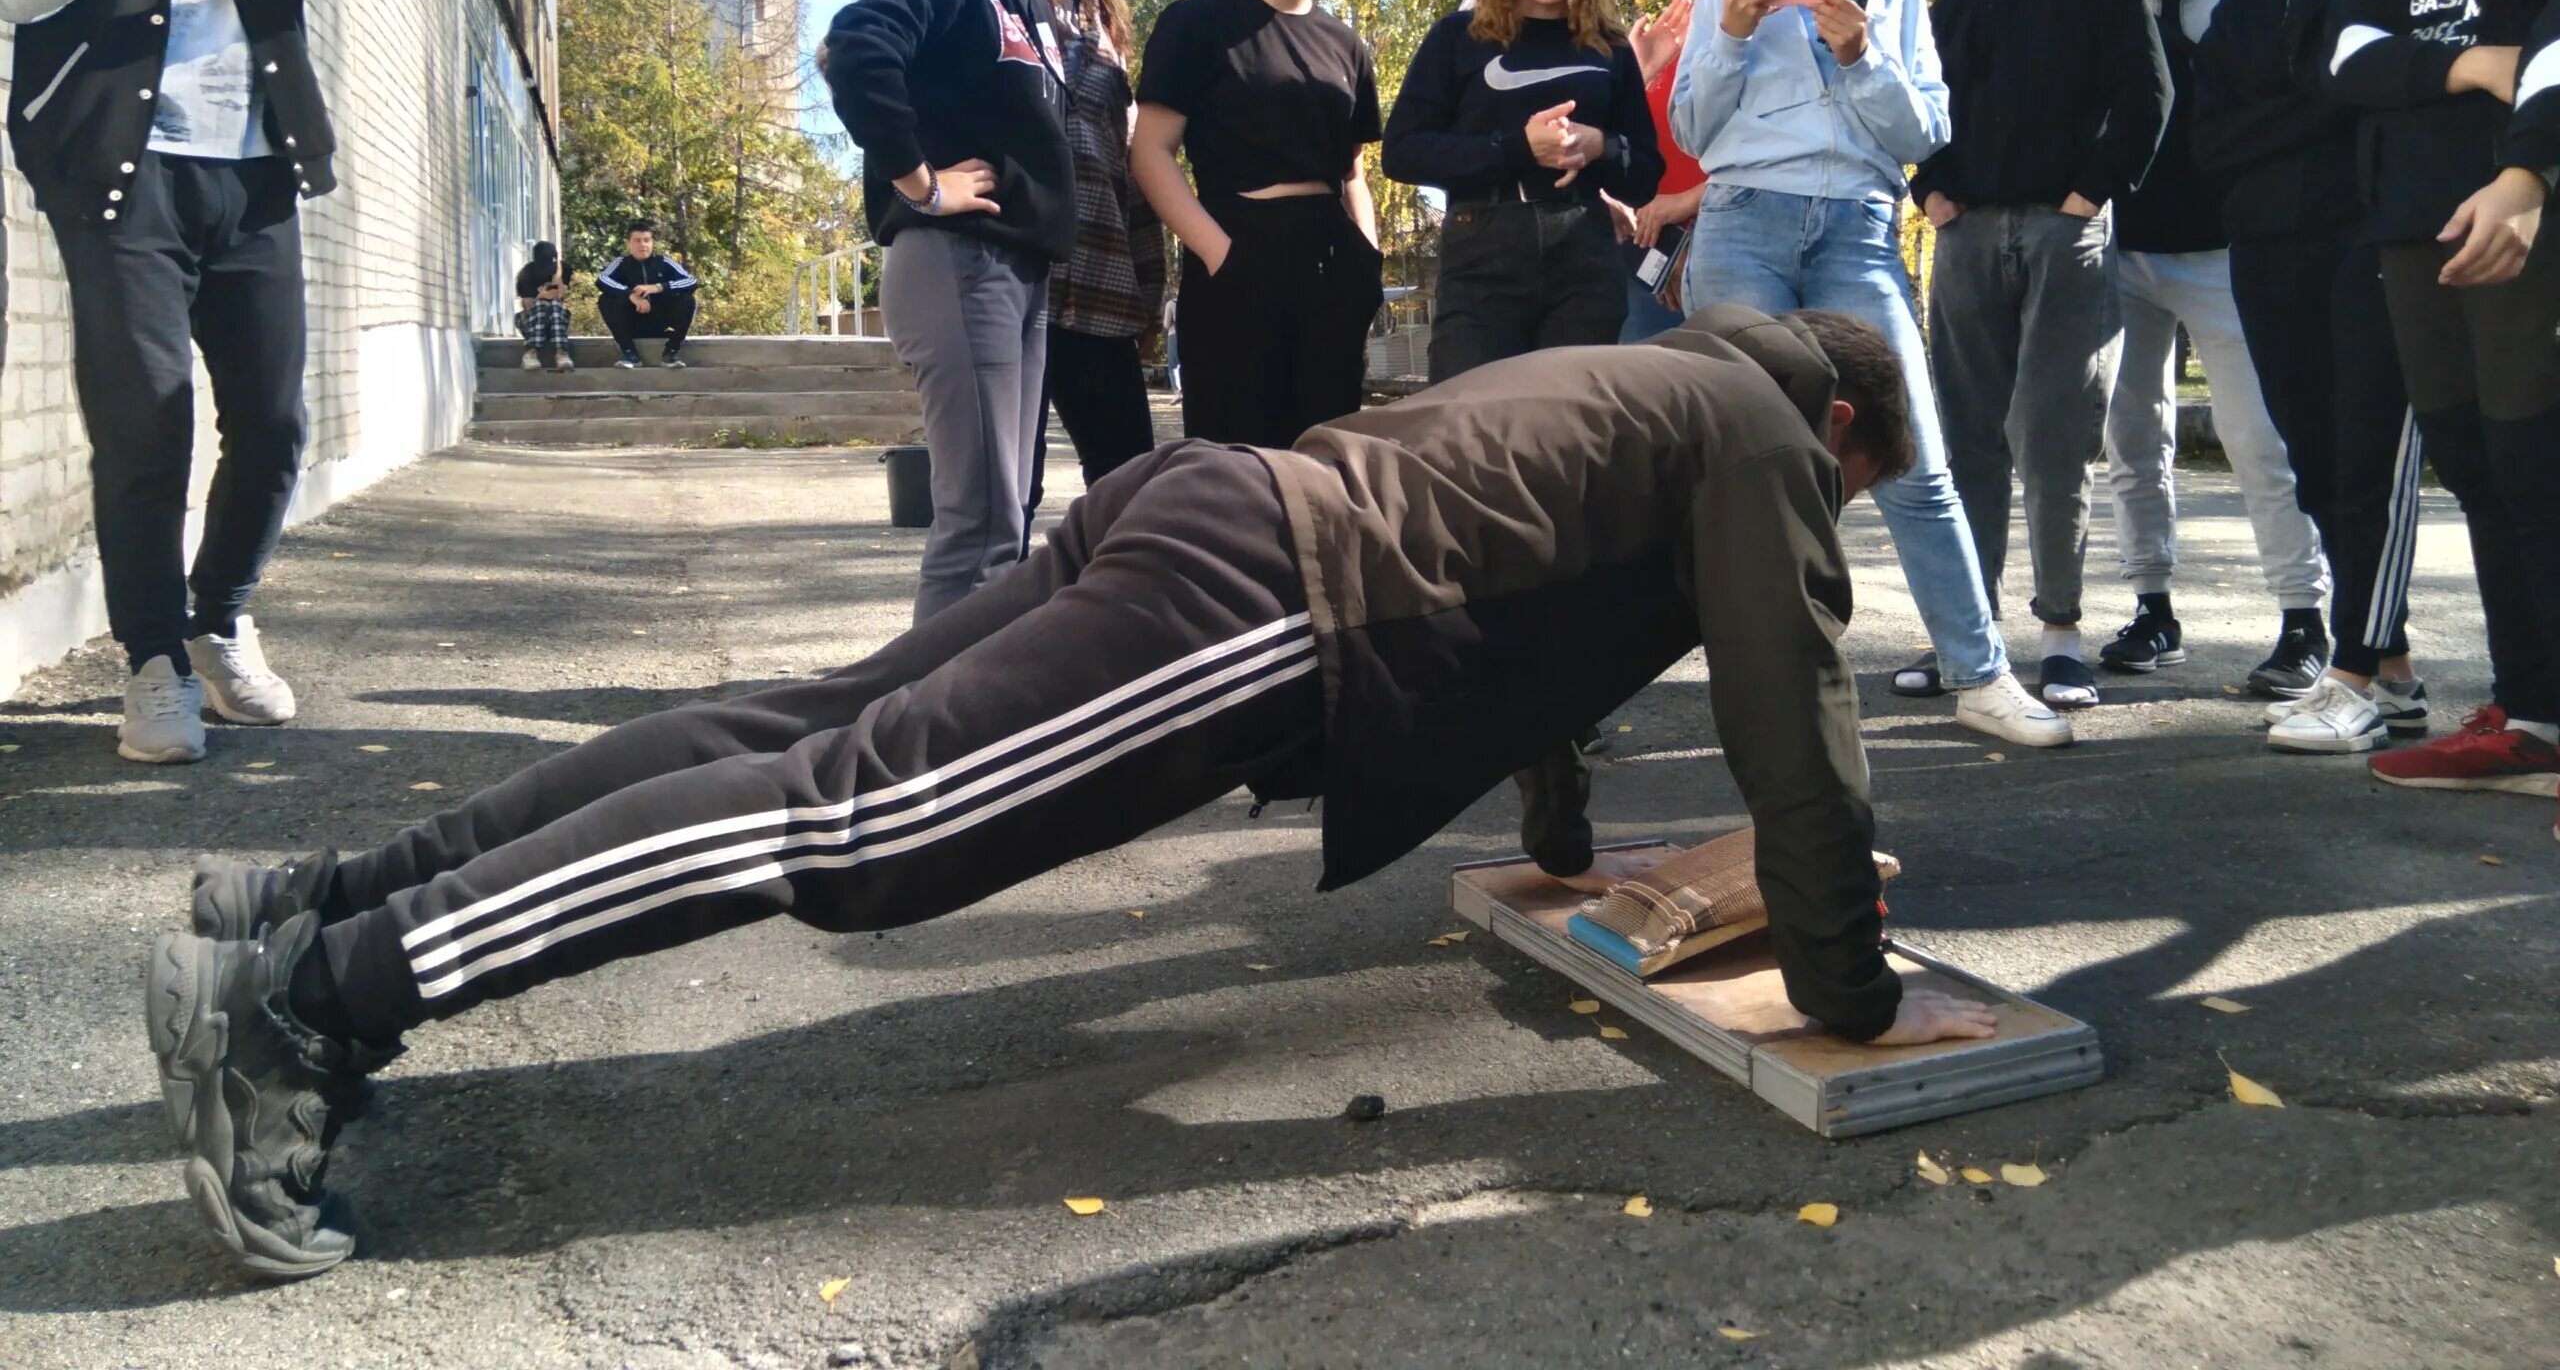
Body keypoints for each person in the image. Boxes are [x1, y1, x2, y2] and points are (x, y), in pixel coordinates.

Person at [149, 304, 2001, 1280]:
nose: (1828, 523)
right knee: (848, 825)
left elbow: (1545, 635)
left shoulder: (1654, 379)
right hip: (1266, 597)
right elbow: (1794, 724)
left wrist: (1565, 844)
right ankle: (309, 1009)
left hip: (1208, 504)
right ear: (1848, 437)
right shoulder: (1764, 444)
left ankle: (325, 899)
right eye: (1851, 500)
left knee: (774, 735)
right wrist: (1849, 990)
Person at [0, 0, 411, 764]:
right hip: (119, 171)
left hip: (252, 167)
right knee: (145, 424)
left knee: (275, 421)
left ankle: (219, 610)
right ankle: (152, 662)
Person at [1672, 0, 2060, 746]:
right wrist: (1724, 31)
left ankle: (1981, 673)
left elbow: (1926, 133)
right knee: (1738, 463)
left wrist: (1861, 56)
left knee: (1912, 457)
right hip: (1743, 224)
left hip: (1856, 231)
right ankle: (1754, 681)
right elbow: (1690, 132)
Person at [2323, 0, 2560, 800]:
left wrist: (2526, 176)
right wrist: (2469, 63)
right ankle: (2529, 712)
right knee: (2472, 461)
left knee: (2537, 453)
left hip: (2528, 203)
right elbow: (2348, 53)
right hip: (2416, 217)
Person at [1895, 0, 2174, 710]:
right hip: (1968, 239)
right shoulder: (1955, 6)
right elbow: (1917, 114)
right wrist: (1930, 193)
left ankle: (2060, 640)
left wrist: (2087, 196)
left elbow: (2147, 89)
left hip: (2067, 237)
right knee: (1963, 444)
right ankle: (1969, 646)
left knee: (2055, 439)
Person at [2191, 0, 2434, 753]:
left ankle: (2353, 671)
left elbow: (2364, 90)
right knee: (2320, 468)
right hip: (2268, 253)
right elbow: (2215, 144)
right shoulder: (2246, 5)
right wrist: (2315, 105)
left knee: (2369, 455)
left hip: (2369, 246)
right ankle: (2392, 671)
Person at [822, 0, 1080, 622]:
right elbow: (858, 53)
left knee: (1010, 519)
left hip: (1019, 269)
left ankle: (981, 715)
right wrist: (922, 184)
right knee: (978, 523)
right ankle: (926, 729)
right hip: (960, 261)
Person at [2098, 0, 2334, 696]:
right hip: (2123, 254)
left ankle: (2305, 619)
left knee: (2257, 440)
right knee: (2133, 438)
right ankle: (2153, 608)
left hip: (2228, 254)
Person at [1132, 0, 1384, 447]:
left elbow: (1352, 171)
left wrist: (1369, 261)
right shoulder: (1195, 23)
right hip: (1235, 257)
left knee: (1326, 468)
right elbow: (1151, 154)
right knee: (1233, 472)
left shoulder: (1347, 47)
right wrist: (1222, 256)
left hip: (1333, 266)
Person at [1381, 0, 1661, 376]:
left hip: (1585, 258)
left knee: (1571, 433)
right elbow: (1402, 151)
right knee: (1468, 428)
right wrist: (1518, 148)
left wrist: (1598, 145)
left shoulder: (1610, 47)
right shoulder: (1456, 39)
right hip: (1482, 252)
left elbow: (1645, 174)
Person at [1025, 0, 1163, 504]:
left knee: (1131, 485)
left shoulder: (1103, 21)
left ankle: (1118, 614)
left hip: (1106, 293)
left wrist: (1151, 291)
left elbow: (1131, 166)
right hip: (1018, 287)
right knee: (1006, 495)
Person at [1617, 0, 1751, 339]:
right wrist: (1635, 71)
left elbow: (1764, 151)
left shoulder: (1753, 43)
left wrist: (1682, 207)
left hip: (1729, 239)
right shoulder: (1652, 42)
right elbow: (1608, 147)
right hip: (1647, 252)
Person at [593, 221, 700, 369]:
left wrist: (658, 287)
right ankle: (630, 355)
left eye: (647, 240)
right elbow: (602, 281)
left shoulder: (664, 262)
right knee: (605, 300)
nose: (643, 245)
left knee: (687, 300)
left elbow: (692, 282)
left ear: (652, 242)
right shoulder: (621, 263)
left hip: (661, 320)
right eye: (637, 241)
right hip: (632, 321)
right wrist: (630, 295)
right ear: (628, 243)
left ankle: (670, 354)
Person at [513, 241, 575, 373]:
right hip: (531, 322)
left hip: (555, 321)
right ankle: (531, 352)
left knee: (555, 303)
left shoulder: (565, 268)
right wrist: (540, 297)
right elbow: (526, 306)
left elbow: (562, 293)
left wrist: (558, 272)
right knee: (541, 304)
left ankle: (561, 352)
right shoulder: (527, 273)